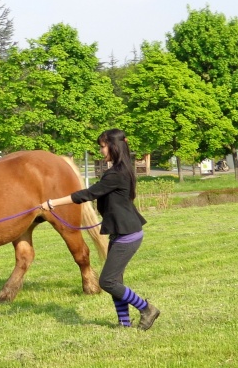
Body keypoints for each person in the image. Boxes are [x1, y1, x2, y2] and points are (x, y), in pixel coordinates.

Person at [40, 128, 160, 330]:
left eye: (103, 146)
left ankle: (147, 308)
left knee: (107, 281)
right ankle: (123, 323)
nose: (101, 151)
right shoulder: (122, 170)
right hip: (121, 231)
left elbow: (87, 194)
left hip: (128, 234)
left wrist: (52, 203)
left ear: (114, 146)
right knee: (116, 280)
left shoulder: (116, 174)